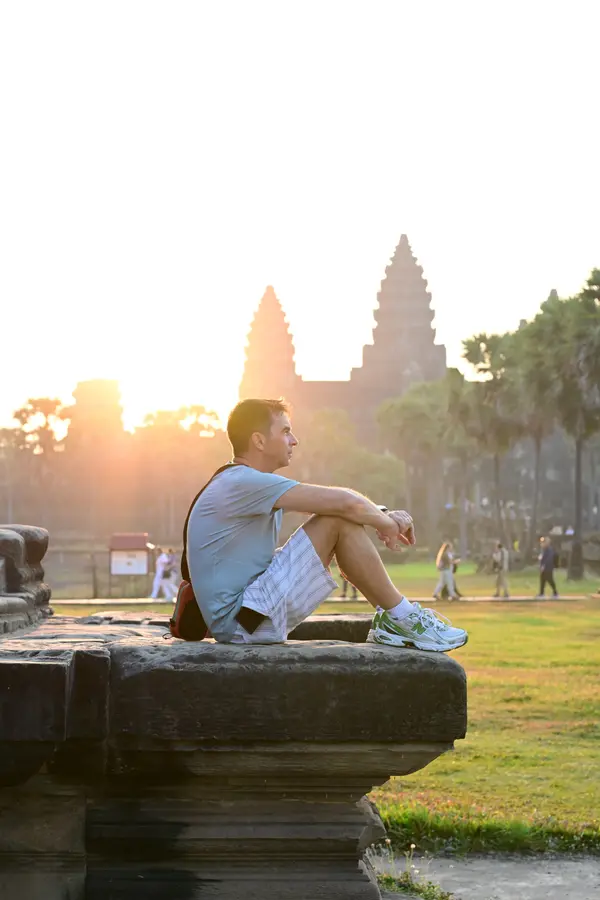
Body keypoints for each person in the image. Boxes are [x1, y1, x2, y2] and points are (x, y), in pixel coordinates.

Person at [186, 398, 468, 652]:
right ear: (259, 441)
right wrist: (387, 523)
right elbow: (342, 504)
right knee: (335, 519)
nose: (294, 440)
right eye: (285, 431)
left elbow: (343, 506)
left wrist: (382, 515)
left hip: (247, 618)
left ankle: (397, 617)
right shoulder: (241, 483)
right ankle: (402, 617)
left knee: (338, 516)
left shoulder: (241, 483)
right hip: (243, 622)